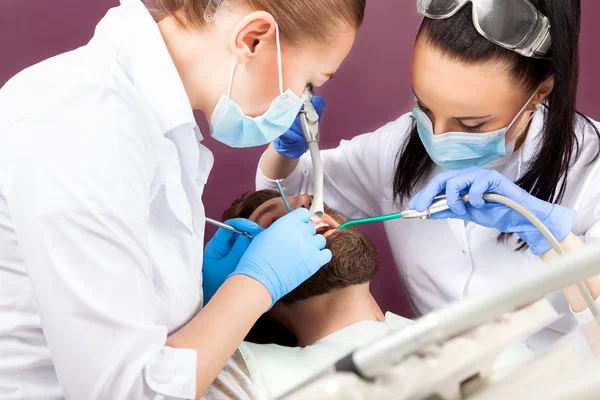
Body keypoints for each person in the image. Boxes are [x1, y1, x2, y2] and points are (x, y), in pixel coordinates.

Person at [0, 0, 366, 398]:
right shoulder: (85, 123)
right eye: (309, 82)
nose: (302, 104)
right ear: (253, 39)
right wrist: (255, 284)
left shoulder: (151, 123)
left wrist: (201, 294)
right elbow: (122, 392)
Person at [258, 0, 600, 352]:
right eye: (423, 106)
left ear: (540, 92)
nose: (435, 136)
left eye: (470, 124)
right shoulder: (397, 147)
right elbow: (291, 198)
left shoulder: (591, 167)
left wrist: (552, 238)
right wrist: (286, 149)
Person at [204, 190, 532, 400]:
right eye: (277, 221)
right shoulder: (246, 373)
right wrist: (230, 302)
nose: (306, 204)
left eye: (309, 201)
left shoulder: (479, 331)